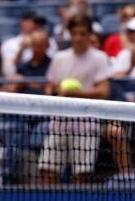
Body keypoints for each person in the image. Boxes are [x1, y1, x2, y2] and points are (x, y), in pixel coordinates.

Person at [40, 13, 110, 185]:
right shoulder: (59, 58)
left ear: (90, 35)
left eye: (83, 33)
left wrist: (74, 95)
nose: (78, 38)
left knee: (82, 177)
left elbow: (103, 91)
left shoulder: (99, 58)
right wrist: (54, 92)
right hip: (59, 125)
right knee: (47, 173)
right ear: (70, 34)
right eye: (75, 33)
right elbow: (49, 87)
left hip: (86, 126)